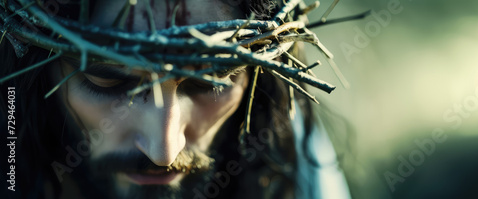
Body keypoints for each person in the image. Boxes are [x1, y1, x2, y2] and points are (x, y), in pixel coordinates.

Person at [0, 0, 353, 198]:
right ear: (34, 68)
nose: (163, 150)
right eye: (108, 82)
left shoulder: (287, 162)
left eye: (209, 82)